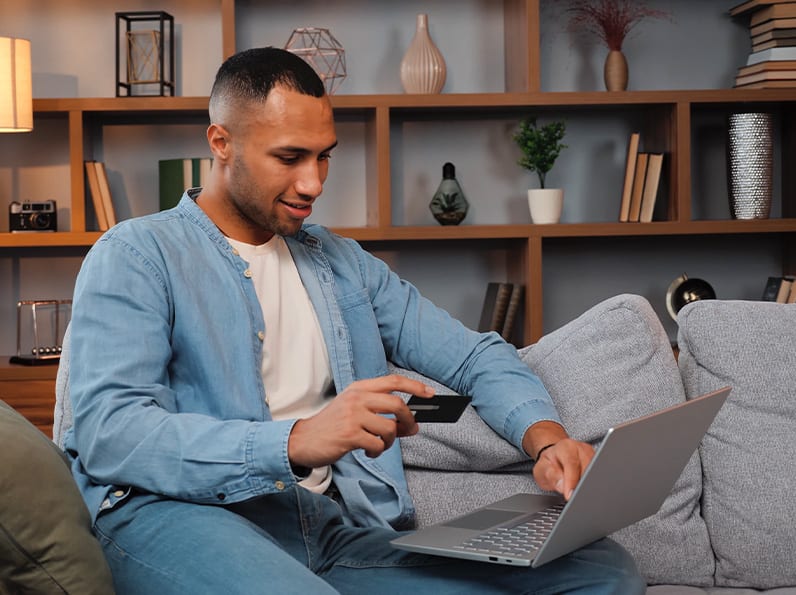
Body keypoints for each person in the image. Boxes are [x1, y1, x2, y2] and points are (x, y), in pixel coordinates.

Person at [65, 46, 644, 594]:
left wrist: (547, 440)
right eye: (289, 158)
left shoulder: (341, 263)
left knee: (599, 567)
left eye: (324, 157)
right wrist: (295, 441)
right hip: (176, 514)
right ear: (221, 142)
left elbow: (474, 356)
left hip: (320, 529)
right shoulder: (138, 254)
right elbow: (112, 432)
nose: (313, 183)